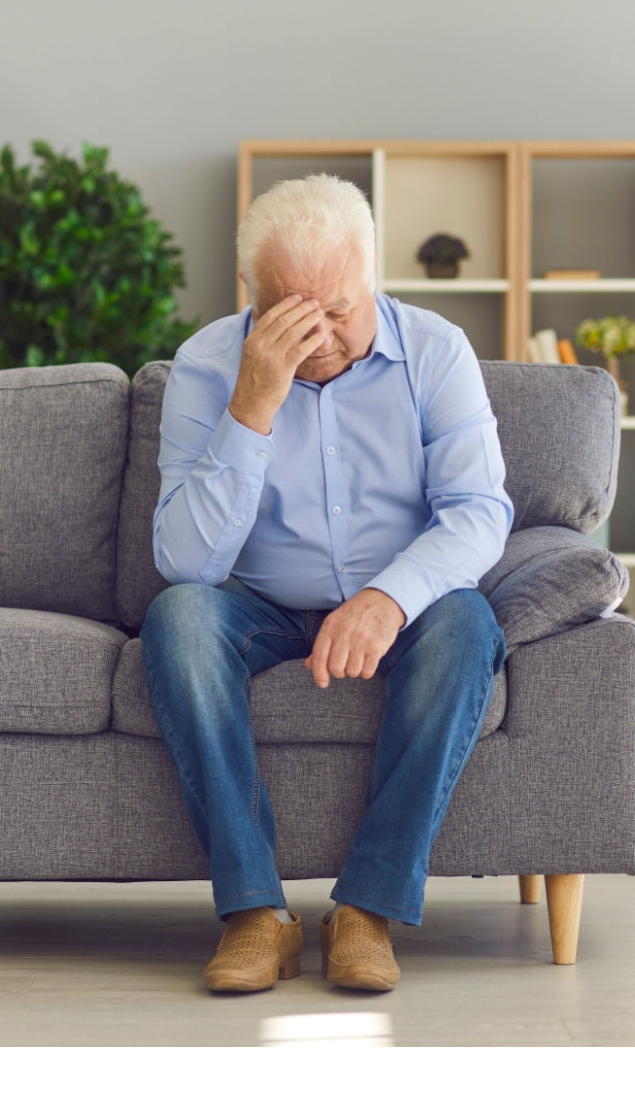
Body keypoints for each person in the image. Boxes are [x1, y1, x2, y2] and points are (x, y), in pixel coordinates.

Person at [138, 173, 513, 993]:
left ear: (372, 279)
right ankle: (256, 914)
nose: (319, 337)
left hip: (400, 601)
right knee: (179, 618)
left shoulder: (436, 352)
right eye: (290, 316)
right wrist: (254, 404)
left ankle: (367, 910)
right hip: (259, 604)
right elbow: (187, 563)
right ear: (250, 295)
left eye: (338, 311)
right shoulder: (205, 367)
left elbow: (480, 512)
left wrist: (388, 598)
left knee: (468, 624)